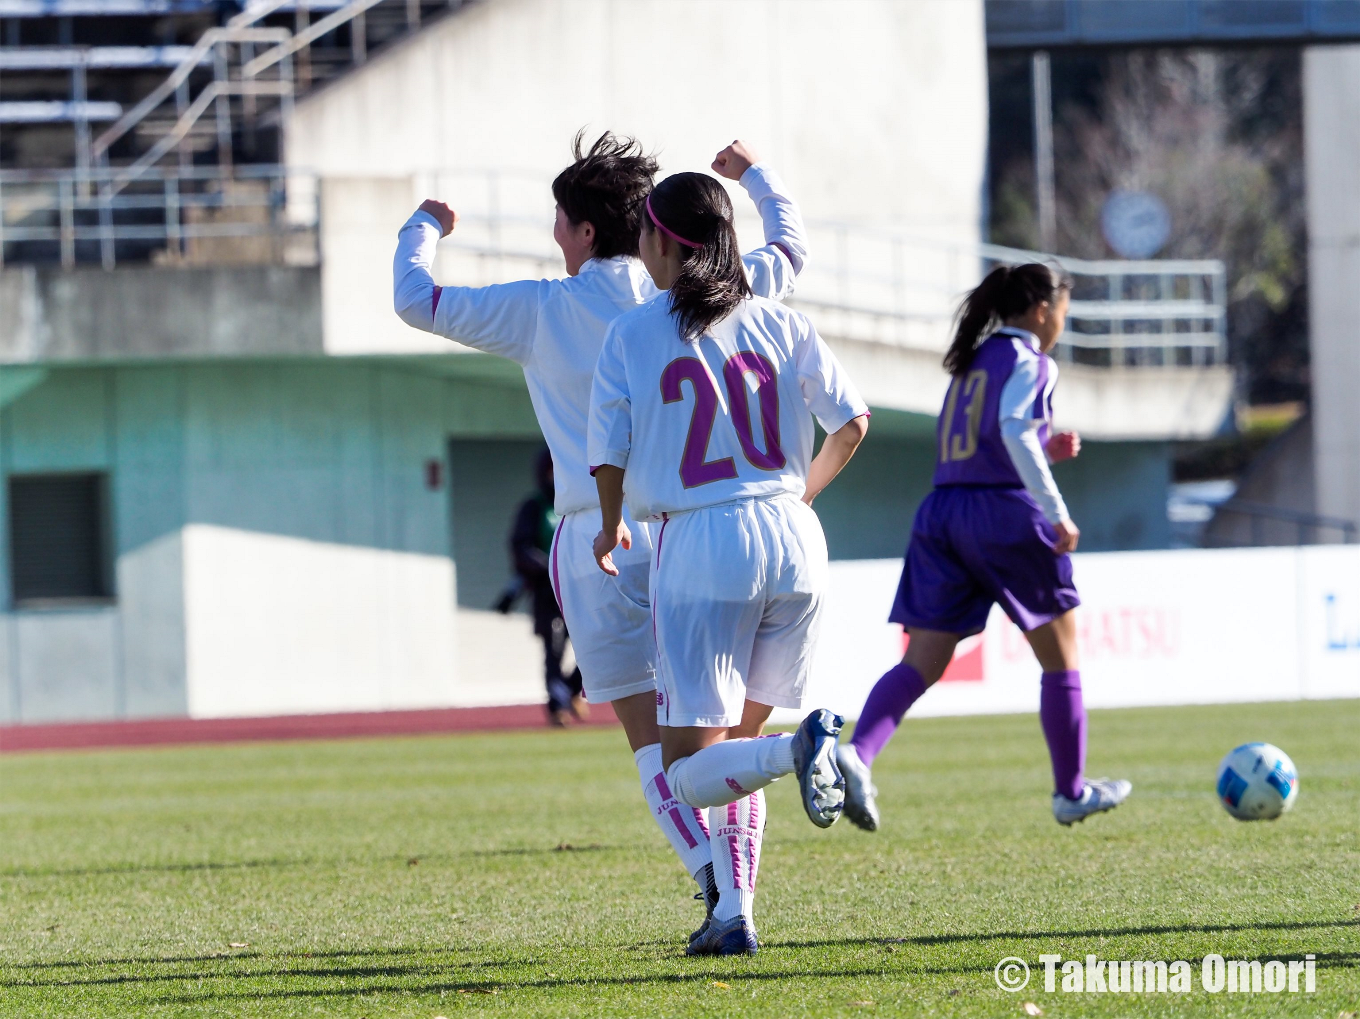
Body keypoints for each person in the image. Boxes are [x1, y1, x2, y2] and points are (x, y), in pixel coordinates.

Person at [393, 132, 810, 937]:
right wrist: (755, 175)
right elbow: (789, 248)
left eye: (559, 218)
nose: (553, 231)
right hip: (694, 529)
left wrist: (422, 227)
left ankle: (716, 895)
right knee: (723, 734)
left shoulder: (543, 308)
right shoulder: (710, 289)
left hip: (598, 538)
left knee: (652, 746)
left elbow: (419, 300)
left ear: (584, 231)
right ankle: (740, 897)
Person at [589, 171, 870, 955]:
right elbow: (851, 424)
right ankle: (732, 916)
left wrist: (610, 529)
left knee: (686, 770)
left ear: (667, 244)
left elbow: (607, 447)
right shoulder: (781, 321)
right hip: (794, 538)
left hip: (703, 543)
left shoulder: (636, 331)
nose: (640, 248)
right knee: (735, 758)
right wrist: (798, 498)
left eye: (646, 234)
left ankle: (800, 749)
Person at [834, 263, 1132, 832]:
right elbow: (1015, 428)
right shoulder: (1032, 361)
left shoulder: (973, 362)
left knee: (922, 661)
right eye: (1064, 312)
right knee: (1062, 659)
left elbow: (989, 436)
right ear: (1043, 310)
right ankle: (1070, 792)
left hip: (944, 512)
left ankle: (858, 753)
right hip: (1002, 515)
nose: (1062, 324)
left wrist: (1047, 448)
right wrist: (1057, 512)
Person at [497, 448, 586, 726]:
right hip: (547, 592)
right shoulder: (534, 506)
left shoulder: (578, 504)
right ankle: (557, 707)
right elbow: (520, 546)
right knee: (554, 650)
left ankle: (572, 691)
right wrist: (548, 566)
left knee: (591, 648)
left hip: (581, 590)